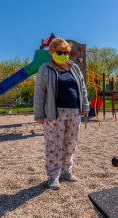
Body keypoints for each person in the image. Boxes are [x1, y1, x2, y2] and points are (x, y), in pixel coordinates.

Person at [34, 38, 89, 190]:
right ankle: (53, 176)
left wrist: (85, 105)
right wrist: (39, 115)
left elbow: (82, 88)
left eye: (66, 52)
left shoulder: (74, 68)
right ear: (52, 53)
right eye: (60, 52)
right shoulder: (45, 68)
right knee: (54, 145)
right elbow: (39, 92)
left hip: (74, 112)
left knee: (70, 143)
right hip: (55, 112)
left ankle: (67, 171)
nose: (64, 54)